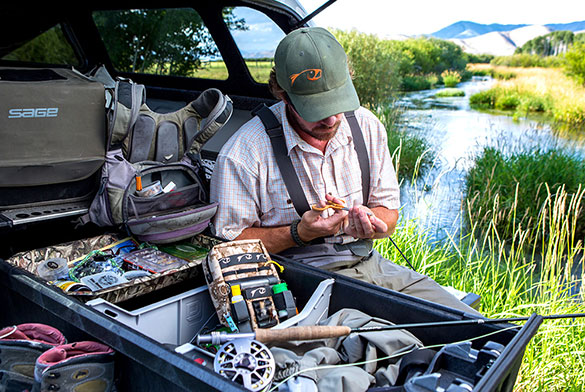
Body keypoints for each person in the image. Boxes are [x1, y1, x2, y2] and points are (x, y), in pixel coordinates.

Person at [210, 27, 480, 315]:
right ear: (284, 96)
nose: (331, 118)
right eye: (315, 108)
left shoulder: (367, 126)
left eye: (337, 103)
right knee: (395, 342)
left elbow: (389, 215)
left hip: (372, 264)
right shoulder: (243, 153)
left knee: (475, 326)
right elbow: (230, 249)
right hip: (295, 281)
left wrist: (372, 222)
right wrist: (299, 232)